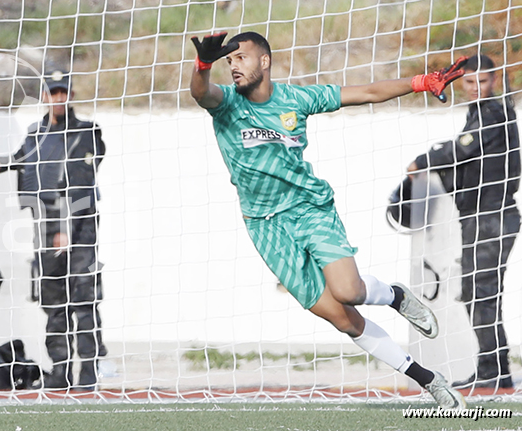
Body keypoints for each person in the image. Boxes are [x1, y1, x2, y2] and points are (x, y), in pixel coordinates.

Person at [189, 30, 468, 409]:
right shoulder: (227, 104)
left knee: (350, 291)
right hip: (265, 226)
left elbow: (366, 93)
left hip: (309, 208)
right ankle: (428, 379)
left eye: (242, 58)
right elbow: (201, 93)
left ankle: (395, 296)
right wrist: (203, 66)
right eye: (229, 61)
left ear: (265, 61)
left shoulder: (297, 98)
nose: (234, 67)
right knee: (343, 319)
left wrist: (419, 82)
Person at [0, 70, 106, 390]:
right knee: (53, 300)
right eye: (52, 92)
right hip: (45, 225)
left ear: (71, 94)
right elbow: (25, 157)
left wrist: (65, 228)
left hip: (80, 226)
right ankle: (59, 371)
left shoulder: (87, 133)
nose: (58, 98)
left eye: (63, 92)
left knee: (83, 299)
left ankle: (88, 372)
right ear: (45, 96)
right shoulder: (36, 132)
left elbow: (79, 185)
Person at [407, 54, 520, 391]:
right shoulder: (478, 112)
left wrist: (420, 162)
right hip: (479, 218)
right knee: (478, 293)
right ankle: (494, 369)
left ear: (494, 80)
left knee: (480, 293)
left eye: (481, 81)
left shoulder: (494, 112)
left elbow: (460, 150)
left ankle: (493, 371)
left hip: (493, 217)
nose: (475, 88)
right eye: (469, 82)